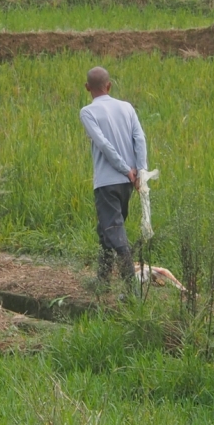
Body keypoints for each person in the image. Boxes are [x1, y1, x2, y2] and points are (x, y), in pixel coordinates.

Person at [79, 66, 147, 290]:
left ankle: (131, 291)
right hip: (127, 184)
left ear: (87, 87)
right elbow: (139, 138)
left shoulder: (88, 112)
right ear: (109, 86)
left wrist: (125, 169)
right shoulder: (126, 107)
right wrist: (140, 171)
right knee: (106, 229)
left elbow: (103, 144)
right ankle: (103, 281)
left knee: (115, 233)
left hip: (108, 183)